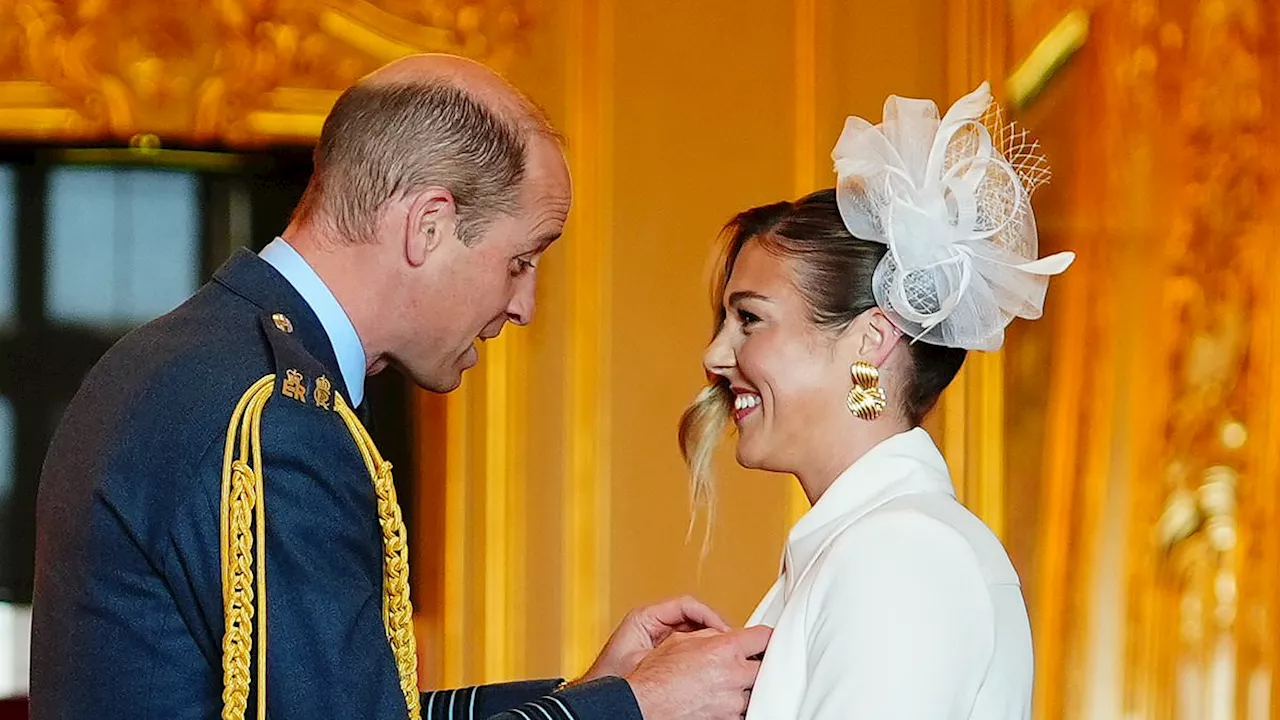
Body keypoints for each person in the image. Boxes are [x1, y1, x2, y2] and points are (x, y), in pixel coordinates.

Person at [30, 54, 768, 720]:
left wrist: (593, 697)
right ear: (429, 226)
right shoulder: (275, 415)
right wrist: (633, 710)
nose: (524, 306)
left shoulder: (206, 360)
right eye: (523, 259)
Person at [678, 81, 1075, 719]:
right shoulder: (864, 544)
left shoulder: (902, 553)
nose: (716, 357)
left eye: (750, 319)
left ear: (871, 339)